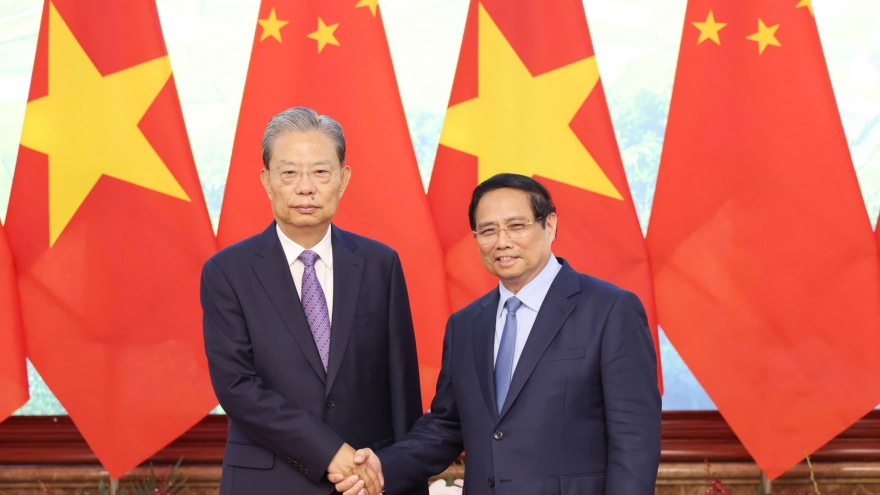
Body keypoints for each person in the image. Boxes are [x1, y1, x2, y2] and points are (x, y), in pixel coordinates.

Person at [331, 173, 661, 495]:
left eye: (516, 226)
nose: (502, 242)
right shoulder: (465, 325)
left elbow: (635, 439)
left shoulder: (610, 310)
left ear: (550, 225)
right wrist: (383, 467)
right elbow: (447, 425)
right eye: (488, 230)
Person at [201, 107, 427, 495]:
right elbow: (237, 387)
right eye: (289, 173)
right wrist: (329, 451)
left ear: (343, 179)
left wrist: (404, 477)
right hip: (266, 483)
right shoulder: (227, 272)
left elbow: (402, 391)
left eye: (320, 172)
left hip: (364, 484)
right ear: (267, 181)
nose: (305, 188)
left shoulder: (380, 264)